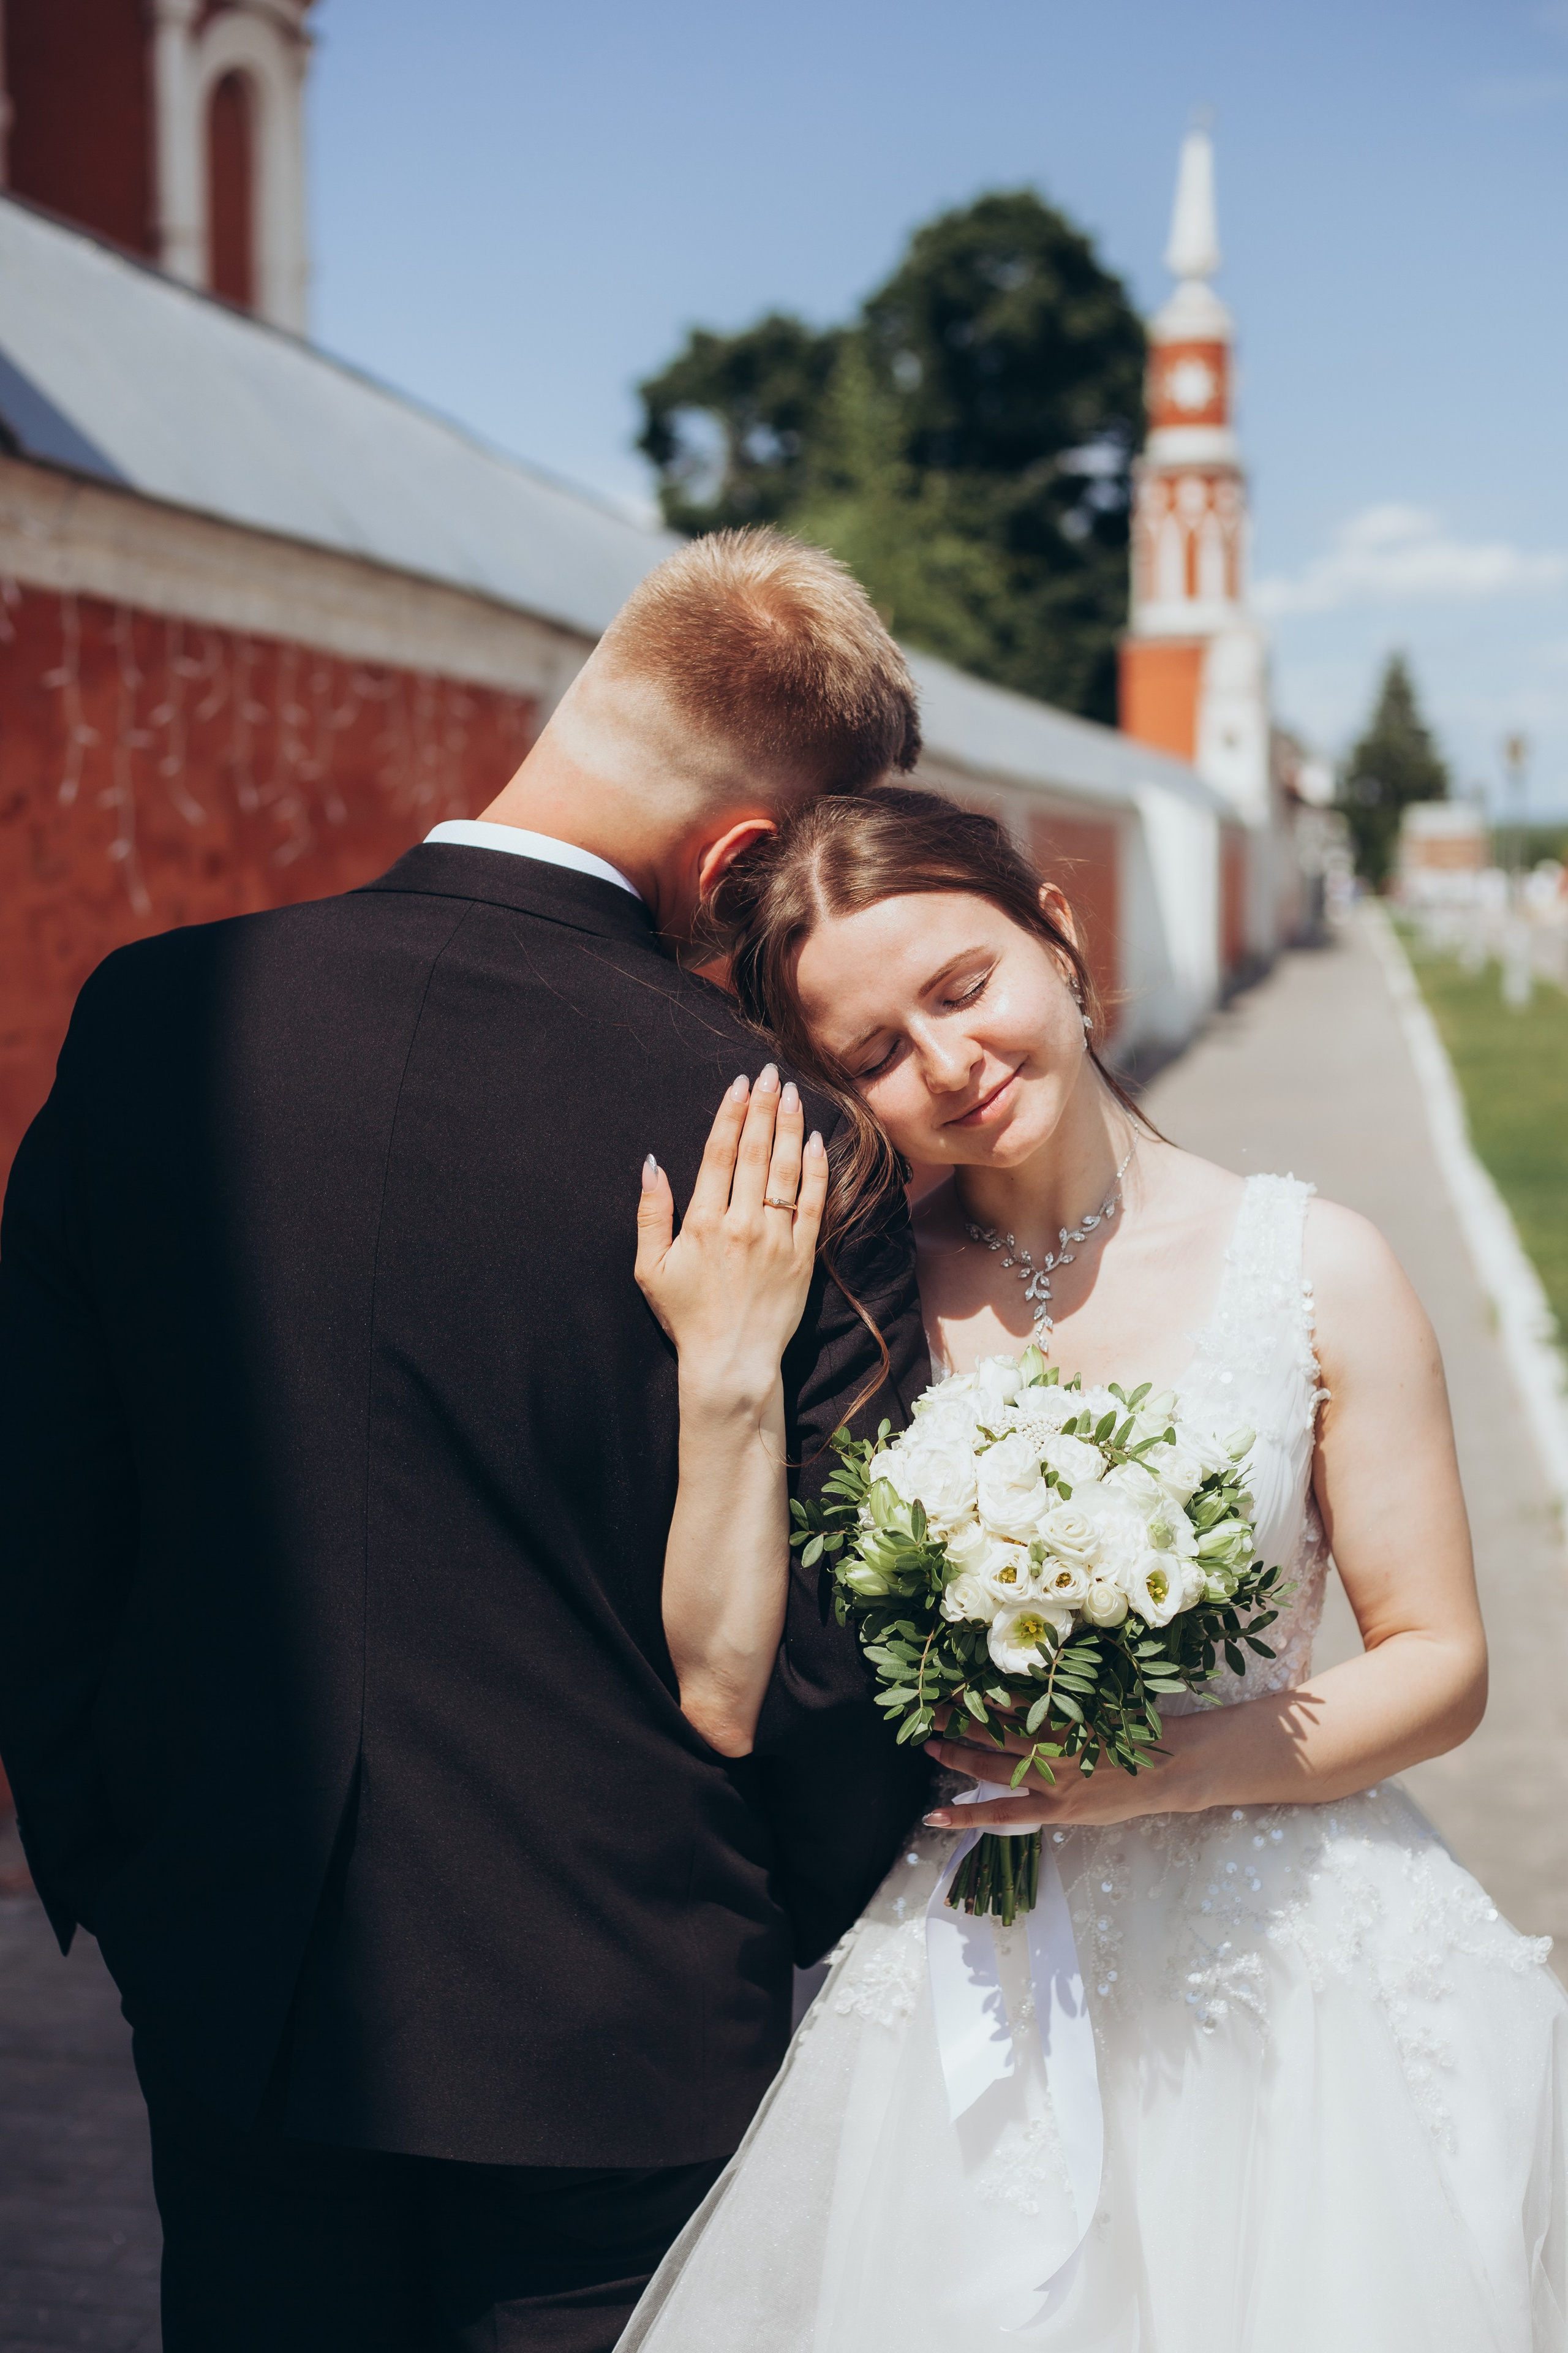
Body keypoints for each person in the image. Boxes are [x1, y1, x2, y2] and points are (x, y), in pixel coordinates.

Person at [0, 532, 933, 2352]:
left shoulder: (150, 1017)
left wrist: (118, 1863)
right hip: (630, 2010)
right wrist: (773, 1917)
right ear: (741, 855)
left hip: (235, 1981)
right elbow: (835, 1656)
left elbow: (45, 1500)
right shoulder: (773, 1128)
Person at [624, 785, 1567, 2352]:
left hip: (1285, 1973)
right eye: (872, 1055)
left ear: (1058, 941)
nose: (943, 1063)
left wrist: (1152, 1773)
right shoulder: (864, 1307)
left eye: (960, 987)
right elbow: (724, 1675)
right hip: (974, 1968)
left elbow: (1437, 1661)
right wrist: (720, 1363)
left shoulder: (1318, 1263)